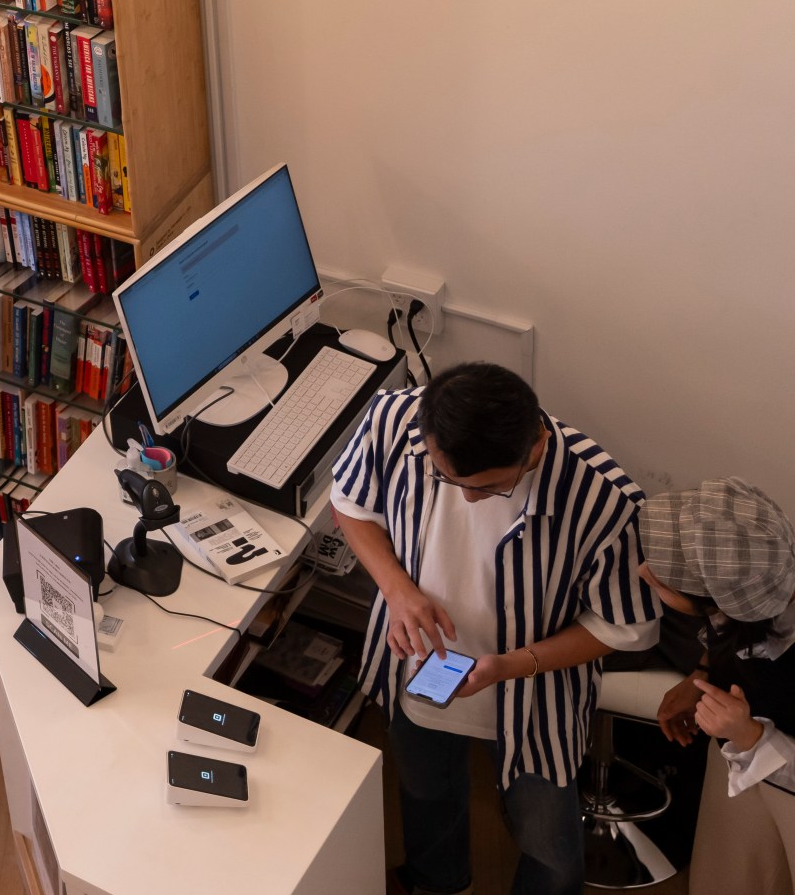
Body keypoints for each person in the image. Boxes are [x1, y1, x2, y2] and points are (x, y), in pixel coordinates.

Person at [328, 362, 661, 895]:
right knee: (425, 797)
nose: (467, 499)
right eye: (447, 480)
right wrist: (397, 589)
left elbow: (625, 627)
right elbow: (348, 505)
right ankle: (439, 884)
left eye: (490, 489)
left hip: (536, 696)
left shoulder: (607, 500)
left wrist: (511, 665)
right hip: (418, 667)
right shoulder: (393, 420)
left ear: (535, 446)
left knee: (549, 844)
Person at [637, 478, 795, 893]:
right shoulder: (760, 580)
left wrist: (749, 734)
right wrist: (703, 674)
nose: (643, 573)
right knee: (728, 876)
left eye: (660, 581)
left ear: (712, 601)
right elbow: (735, 631)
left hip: (777, 765)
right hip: (739, 751)